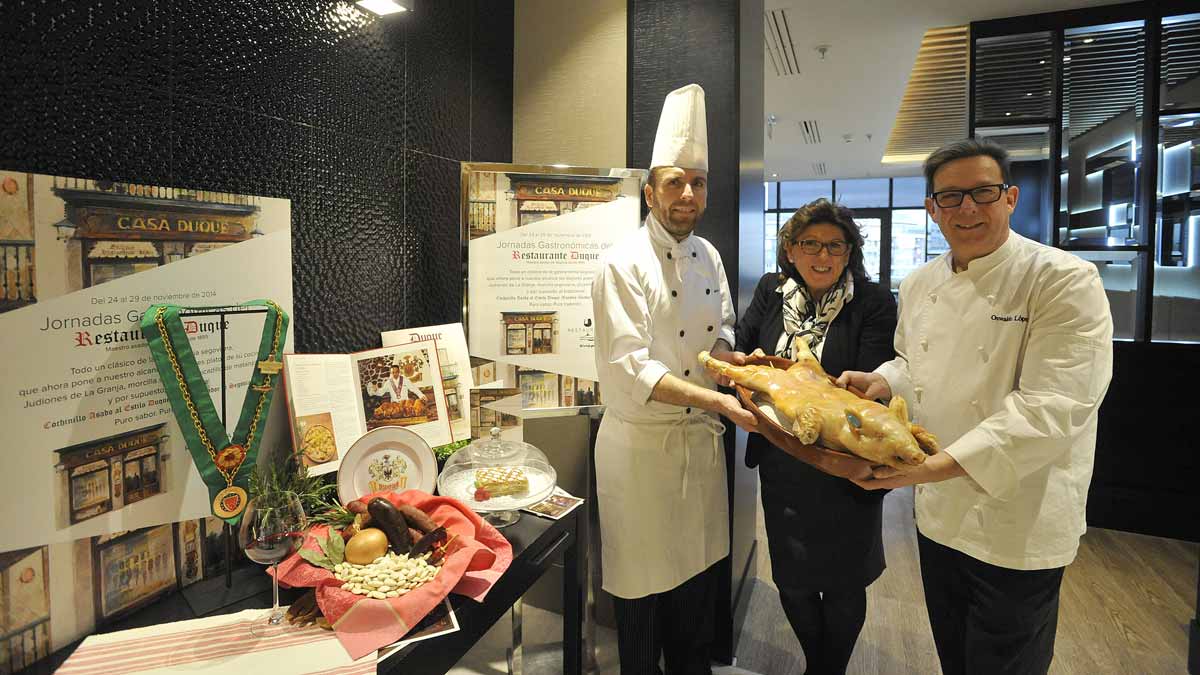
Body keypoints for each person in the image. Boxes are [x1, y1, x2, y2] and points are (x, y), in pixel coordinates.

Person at [838, 138, 1114, 674]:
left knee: (1006, 662)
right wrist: (880, 381)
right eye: (951, 197)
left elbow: (1053, 407)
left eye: (983, 193)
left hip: (1017, 516)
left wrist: (927, 468)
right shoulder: (919, 283)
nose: (967, 208)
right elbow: (912, 364)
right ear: (931, 209)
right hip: (940, 516)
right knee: (954, 654)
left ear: (1009, 198)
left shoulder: (1061, 279)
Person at [591, 83, 755, 675]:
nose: (688, 193)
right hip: (641, 453)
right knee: (642, 600)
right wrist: (721, 400)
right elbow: (635, 366)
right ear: (649, 191)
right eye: (674, 182)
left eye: (698, 182)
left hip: (700, 450)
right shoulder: (621, 264)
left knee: (695, 593)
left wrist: (729, 359)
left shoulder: (709, 256)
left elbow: (724, 328)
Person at [735, 198, 897, 674]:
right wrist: (747, 364)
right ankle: (815, 663)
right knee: (793, 579)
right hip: (783, 459)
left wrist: (786, 381)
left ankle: (832, 669)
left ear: (850, 252)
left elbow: (867, 386)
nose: (821, 256)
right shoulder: (771, 290)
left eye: (834, 245)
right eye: (810, 244)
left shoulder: (873, 301)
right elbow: (746, 345)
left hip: (846, 463)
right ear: (790, 248)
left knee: (846, 582)